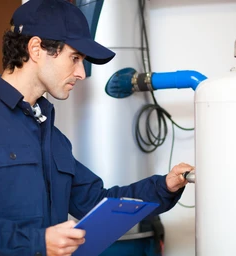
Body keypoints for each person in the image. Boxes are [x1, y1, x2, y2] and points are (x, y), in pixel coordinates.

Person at [0, 0, 194, 255]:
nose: (81, 72)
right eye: (75, 58)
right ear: (37, 49)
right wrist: (37, 243)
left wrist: (164, 187)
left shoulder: (50, 135)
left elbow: (98, 203)